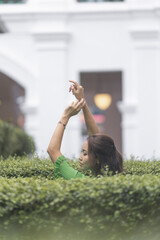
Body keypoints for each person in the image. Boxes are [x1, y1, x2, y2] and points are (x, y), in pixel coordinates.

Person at [47, 81, 123, 180]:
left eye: (85, 153)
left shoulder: (79, 179)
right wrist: (81, 101)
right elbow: (95, 138)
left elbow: (52, 150)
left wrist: (66, 116)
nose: (80, 157)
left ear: (97, 159)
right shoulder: (108, 179)